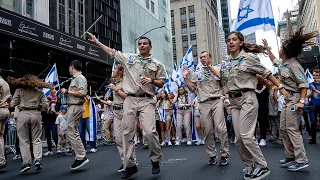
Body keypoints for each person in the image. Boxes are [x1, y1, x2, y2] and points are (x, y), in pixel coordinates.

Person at [87, 32, 164, 179]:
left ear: (150, 47)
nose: (141, 46)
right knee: (127, 133)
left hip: (147, 99)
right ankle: (130, 165)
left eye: (145, 44)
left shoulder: (157, 64)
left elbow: (161, 82)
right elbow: (111, 52)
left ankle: (155, 160)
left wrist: (151, 81)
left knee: (149, 131)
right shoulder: (129, 58)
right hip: (130, 100)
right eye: (140, 44)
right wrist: (97, 42)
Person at [217, 31, 286, 179]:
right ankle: (249, 165)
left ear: (241, 42)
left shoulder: (249, 58)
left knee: (247, 135)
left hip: (248, 98)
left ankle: (262, 165)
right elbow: (223, 82)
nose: (230, 42)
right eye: (228, 40)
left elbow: (266, 73)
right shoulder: (225, 62)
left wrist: (281, 88)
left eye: (234, 39)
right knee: (238, 139)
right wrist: (226, 97)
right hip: (234, 102)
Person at [264, 28, 317, 171]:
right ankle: (290, 156)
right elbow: (275, 61)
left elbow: (304, 84)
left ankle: (301, 160)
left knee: (293, 129)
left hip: (294, 100)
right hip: (287, 100)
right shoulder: (285, 64)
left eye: (280, 48)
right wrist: (268, 50)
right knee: (284, 129)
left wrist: (302, 102)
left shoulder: (294, 65)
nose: (279, 50)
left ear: (286, 51)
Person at [184, 51, 229, 166]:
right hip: (203, 103)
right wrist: (185, 78)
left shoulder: (217, 69)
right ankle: (212, 155)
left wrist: (209, 66)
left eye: (205, 57)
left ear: (210, 57)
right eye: (201, 57)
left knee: (221, 128)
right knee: (207, 130)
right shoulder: (196, 73)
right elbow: (192, 89)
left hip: (217, 100)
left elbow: (224, 80)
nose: (203, 59)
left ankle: (224, 154)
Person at [8, 74, 49, 173]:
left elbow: (13, 103)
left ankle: (26, 162)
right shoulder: (40, 92)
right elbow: (45, 105)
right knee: (36, 139)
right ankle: (38, 160)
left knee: (24, 140)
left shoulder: (19, 91)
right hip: (36, 114)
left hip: (23, 114)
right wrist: (40, 107)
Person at [97, 64, 128, 172]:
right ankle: (125, 162)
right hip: (116, 112)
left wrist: (116, 89)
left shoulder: (125, 82)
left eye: (115, 69)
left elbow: (127, 97)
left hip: (125, 111)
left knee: (127, 138)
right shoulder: (113, 83)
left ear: (120, 72)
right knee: (118, 138)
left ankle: (130, 162)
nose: (113, 70)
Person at [60, 60, 89, 170]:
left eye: (69, 68)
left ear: (72, 67)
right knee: (71, 130)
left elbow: (82, 93)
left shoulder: (80, 78)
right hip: (73, 106)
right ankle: (80, 155)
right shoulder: (76, 79)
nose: (69, 70)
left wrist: (67, 92)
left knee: (71, 130)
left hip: (76, 106)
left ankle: (81, 156)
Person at [0, 67, 11, 169]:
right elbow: (9, 98)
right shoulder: (5, 83)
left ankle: (1, 160)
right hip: (5, 110)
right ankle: (2, 159)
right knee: (1, 136)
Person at [308, 69, 320, 144]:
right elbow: (307, 95)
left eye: (317, 75)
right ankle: (313, 138)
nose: (315, 77)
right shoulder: (311, 84)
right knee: (313, 122)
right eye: (314, 75)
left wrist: (315, 90)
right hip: (313, 104)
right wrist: (312, 91)